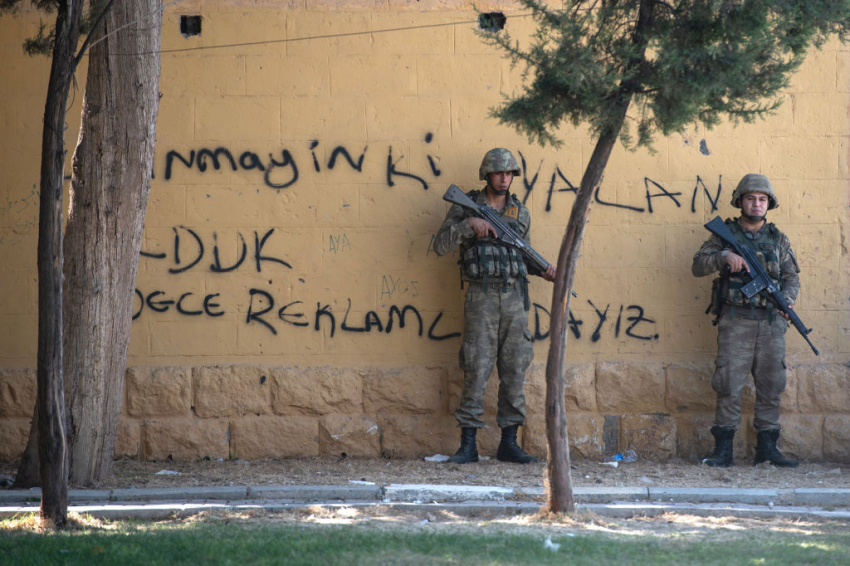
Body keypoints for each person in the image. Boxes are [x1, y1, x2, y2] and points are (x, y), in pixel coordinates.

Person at [434, 148, 555, 464]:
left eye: (510, 173)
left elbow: (517, 258)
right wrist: (468, 225)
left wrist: (545, 270)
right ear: (486, 174)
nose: (505, 178)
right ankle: (468, 445)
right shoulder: (467, 208)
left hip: (515, 298)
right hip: (481, 297)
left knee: (515, 367)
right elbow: (439, 245)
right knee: (476, 365)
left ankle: (509, 443)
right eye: (499, 172)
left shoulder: (521, 213)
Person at [692, 173, 800, 468]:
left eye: (762, 199)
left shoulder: (778, 239)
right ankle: (723, 451)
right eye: (750, 198)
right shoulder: (723, 234)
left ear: (769, 204)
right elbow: (698, 265)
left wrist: (787, 299)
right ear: (740, 201)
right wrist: (724, 255)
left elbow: (791, 277)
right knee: (728, 385)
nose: (756, 204)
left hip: (770, 325)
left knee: (772, 385)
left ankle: (767, 449)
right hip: (735, 320)